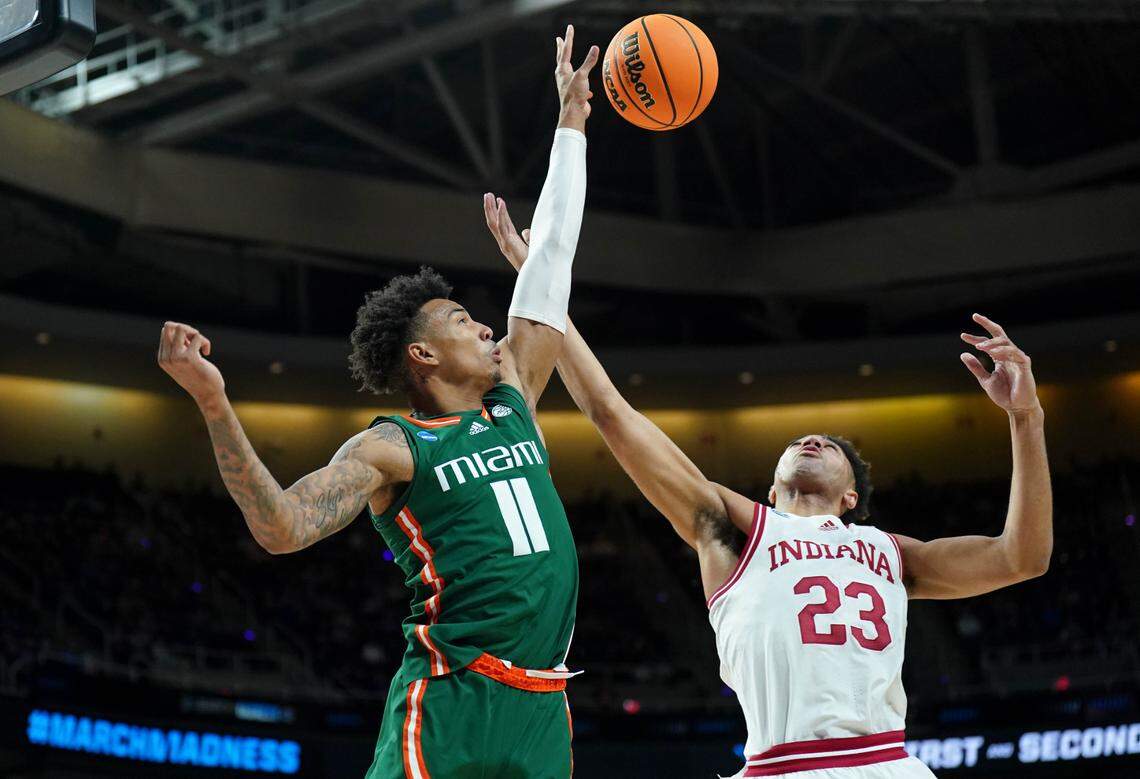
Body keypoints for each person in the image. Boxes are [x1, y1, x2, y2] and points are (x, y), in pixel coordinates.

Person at [158, 25, 599, 779]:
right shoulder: (393, 447)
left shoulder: (513, 399)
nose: (486, 324)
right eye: (463, 320)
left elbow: (551, 261)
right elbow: (283, 526)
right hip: (451, 701)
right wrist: (213, 402)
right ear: (422, 355)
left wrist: (571, 122)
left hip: (542, 710)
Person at [485, 197, 1052, 779]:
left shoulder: (890, 553)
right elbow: (611, 412)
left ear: (851, 497)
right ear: (772, 486)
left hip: (885, 764)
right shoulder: (731, 530)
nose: (811, 440)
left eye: (830, 446)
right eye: (800, 442)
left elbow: (1022, 558)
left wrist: (1025, 418)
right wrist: (541, 283)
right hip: (782, 767)